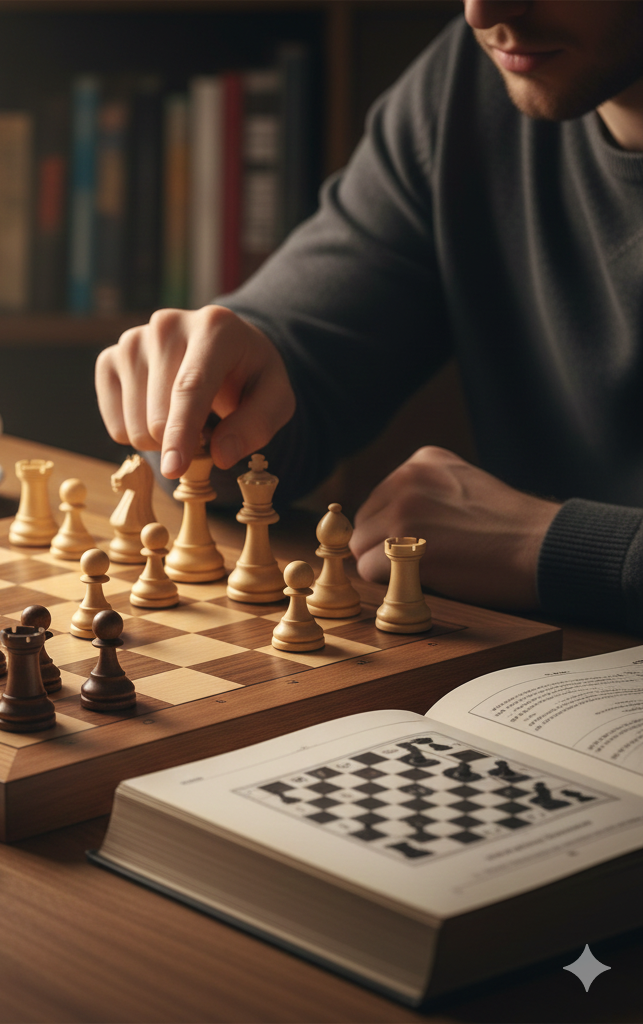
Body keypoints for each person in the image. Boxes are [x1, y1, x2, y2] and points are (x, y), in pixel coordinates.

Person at [95, 0, 643, 633]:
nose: (481, 11)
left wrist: (561, 546)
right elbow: (302, 347)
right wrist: (219, 384)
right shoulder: (472, 80)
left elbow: (565, 553)